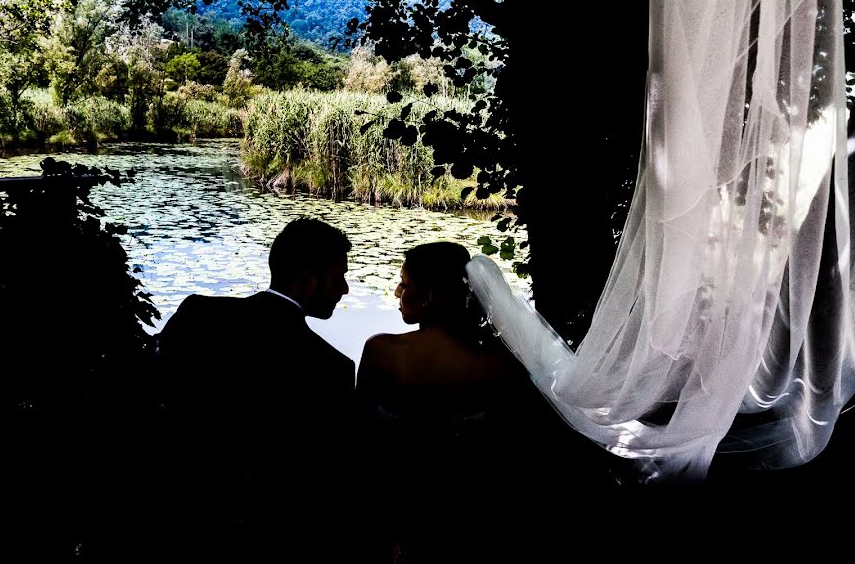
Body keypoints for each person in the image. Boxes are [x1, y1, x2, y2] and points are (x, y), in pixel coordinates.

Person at [151, 217, 355, 558]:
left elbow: (154, 393)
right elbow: (326, 474)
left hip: (173, 508)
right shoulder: (330, 368)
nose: (345, 289)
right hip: (269, 533)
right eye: (339, 278)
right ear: (308, 282)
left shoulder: (197, 313)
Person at [355, 242, 567, 561]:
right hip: (477, 509)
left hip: (404, 505)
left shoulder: (383, 352)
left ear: (429, 298)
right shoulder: (502, 365)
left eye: (405, 283)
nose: (398, 292)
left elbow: (362, 437)